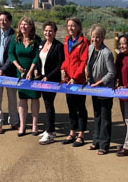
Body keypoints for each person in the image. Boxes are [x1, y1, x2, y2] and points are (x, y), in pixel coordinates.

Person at [8, 16, 42, 136]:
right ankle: (22, 125)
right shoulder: (15, 38)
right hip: (20, 73)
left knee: (34, 98)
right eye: (22, 24)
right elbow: (11, 53)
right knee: (22, 99)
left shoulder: (36, 39)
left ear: (31, 26)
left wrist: (31, 71)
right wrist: (17, 66)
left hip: (33, 73)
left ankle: (34, 125)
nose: (23, 26)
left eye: (26, 24)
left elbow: (37, 56)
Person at [86, 25, 116, 155]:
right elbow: (89, 63)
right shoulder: (90, 48)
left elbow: (112, 72)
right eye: (93, 37)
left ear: (103, 38)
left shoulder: (107, 53)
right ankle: (96, 141)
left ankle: (104, 145)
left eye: (97, 37)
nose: (95, 39)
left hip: (104, 89)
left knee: (105, 117)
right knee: (97, 115)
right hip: (94, 88)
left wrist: (99, 82)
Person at [60, 17, 89, 147]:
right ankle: (72, 132)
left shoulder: (84, 42)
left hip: (78, 80)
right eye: (69, 25)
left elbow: (83, 62)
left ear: (78, 27)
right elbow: (67, 59)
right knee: (71, 106)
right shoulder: (66, 41)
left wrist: (75, 78)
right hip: (68, 80)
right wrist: (62, 69)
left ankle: (81, 134)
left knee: (80, 107)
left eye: (73, 25)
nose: (71, 28)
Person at [34, 21, 64, 145]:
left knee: (48, 104)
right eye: (46, 30)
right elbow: (38, 59)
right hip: (41, 79)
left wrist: (48, 76)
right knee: (47, 104)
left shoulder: (58, 46)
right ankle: (49, 129)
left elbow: (60, 64)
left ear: (55, 32)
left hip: (52, 80)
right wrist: (36, 69)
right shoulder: (41, 44)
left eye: (50, 31)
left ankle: (50, 133)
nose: (48, 33)